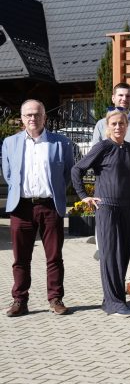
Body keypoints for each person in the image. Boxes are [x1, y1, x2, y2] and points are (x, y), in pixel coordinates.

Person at [2, 99, 75, 317]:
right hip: (21, 207)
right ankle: (19, 301)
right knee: (20, 259)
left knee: (54, 257)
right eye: (28, 115)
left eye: (37, 114)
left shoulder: (61, 143)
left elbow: (67, 174)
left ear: (44, 117)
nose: (32, 118)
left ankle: (55, 299)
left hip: (49, 206)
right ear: (22, 118)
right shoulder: (10, 142)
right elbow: (9, 174)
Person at [72, 109, 130, 317]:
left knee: (123, 254)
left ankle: (112, 298)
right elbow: (77, 170)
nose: (118, 127)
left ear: (127, 126)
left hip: (127, 207)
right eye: (114, 124)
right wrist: (84, 196)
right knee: (110, 254)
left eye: (122, 123)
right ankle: (114, 303)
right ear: (107, 126)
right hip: (107, 207)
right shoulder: (103, 146)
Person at [91, 82, 130, 300]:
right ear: (113, 98)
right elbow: (95, 155)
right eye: (120, 95)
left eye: (128, 96)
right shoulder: (100, 124)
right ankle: (111, 283)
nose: (124, 99)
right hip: (108, 191)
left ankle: (129, 280)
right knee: (109, 240)